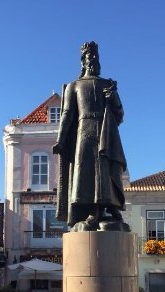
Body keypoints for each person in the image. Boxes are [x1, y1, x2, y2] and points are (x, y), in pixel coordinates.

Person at [53, 41, 128, 232]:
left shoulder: (107, 84)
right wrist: (61, 140)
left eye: (96, 57)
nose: (94, 60)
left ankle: (109, 208)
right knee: (85, 171)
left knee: (105, 169)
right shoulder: (74, 86)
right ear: (83, 61)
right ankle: (90, 211)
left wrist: (114, 99)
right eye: (90, 56)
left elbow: (119, 116)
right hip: (83, 131)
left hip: (105, 131)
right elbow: (67, 114)